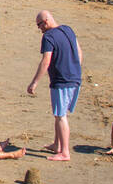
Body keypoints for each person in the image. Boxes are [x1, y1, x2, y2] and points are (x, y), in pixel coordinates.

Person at [26, 10, 81, 162]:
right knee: (59, 113)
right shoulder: (67, 29)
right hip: (74, 77)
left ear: (46, 21)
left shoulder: (48, 37)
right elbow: (78, 50)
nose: (39, 29)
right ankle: (57, 144)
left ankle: (64, 152)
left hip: (62, 81)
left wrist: (34, 82)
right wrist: (76, 68)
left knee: (61, 116)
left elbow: (46, 60)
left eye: (39, 25)